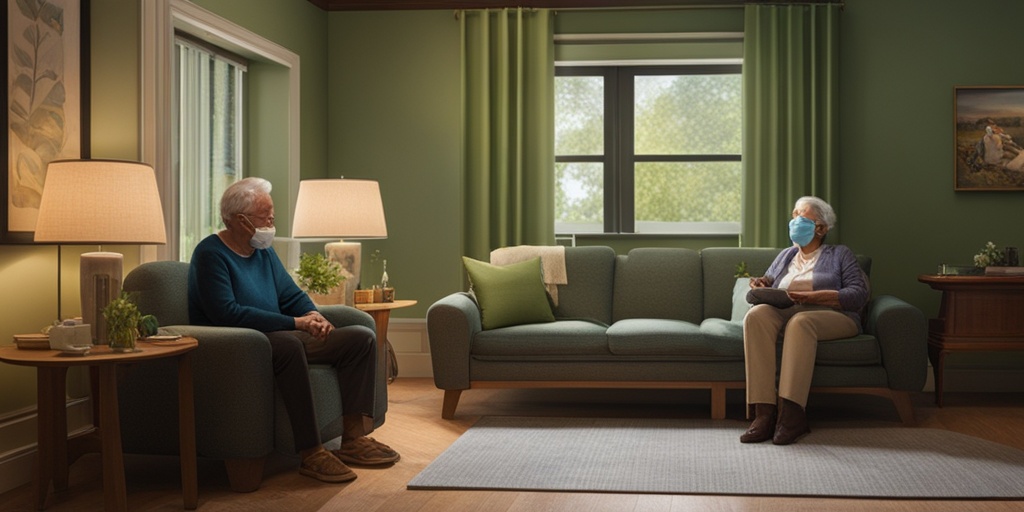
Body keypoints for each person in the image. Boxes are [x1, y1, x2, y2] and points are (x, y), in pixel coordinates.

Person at [187, 177, 399, 483]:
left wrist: (311, 313)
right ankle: (311, 453)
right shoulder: (210, 254)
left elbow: (290, 295)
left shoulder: (263, 252)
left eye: (272, 216)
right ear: (238, 220)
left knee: (360, 338)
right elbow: (227, 313)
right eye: (265, 217)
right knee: (289, 345)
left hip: (279, 335)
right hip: (239, 346)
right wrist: (294, 323)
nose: (272, 223)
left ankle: (352, 440)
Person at [740, 196, 869, 445]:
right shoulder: (786, 255)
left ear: (820, 228)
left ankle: (792, 416)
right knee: (756, 315)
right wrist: (762, 284)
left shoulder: (840, 254)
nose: (794, 221)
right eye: (794, 215)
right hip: (789, 309)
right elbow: (770, 281)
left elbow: (858, 294)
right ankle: (764, 414)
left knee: (800, 323)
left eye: (801, 216)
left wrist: (814, 297)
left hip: (834, 315)